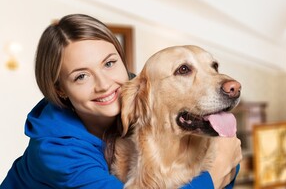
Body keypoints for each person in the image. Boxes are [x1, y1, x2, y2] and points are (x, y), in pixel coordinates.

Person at [1, 14, 242, 189]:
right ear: (60, 90)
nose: (105, 84)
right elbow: (219, 170)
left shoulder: (136, 93)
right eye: (81, 76)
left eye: (109, 63)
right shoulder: (58, 151)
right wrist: (213, 175)